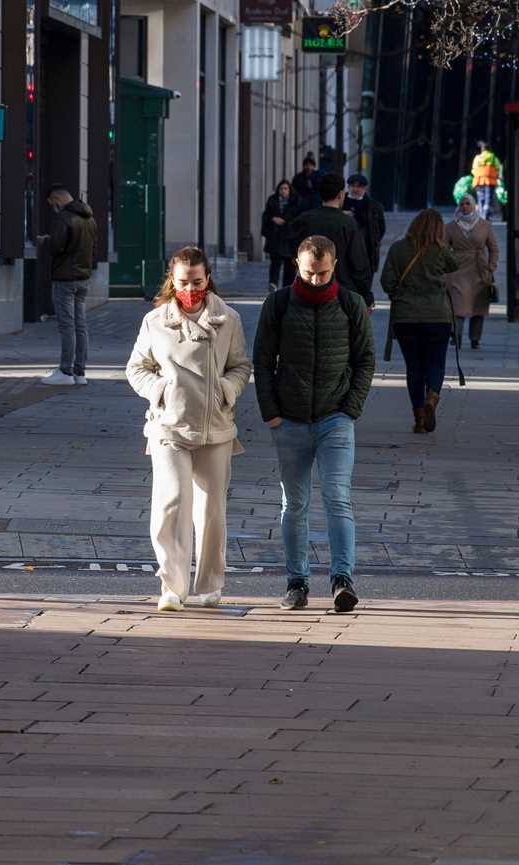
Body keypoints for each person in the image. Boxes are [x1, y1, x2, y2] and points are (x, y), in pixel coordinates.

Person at [253, 235, 375, 614]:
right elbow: (262, 359)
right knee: (295, 503)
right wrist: (271, 411)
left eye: (323, 273)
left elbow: (365, 360)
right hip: (289, 419)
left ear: (334, 266)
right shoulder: (278, 304)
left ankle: (342, 579)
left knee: (337, 497)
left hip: (335, 418)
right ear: (297, 265)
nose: (316, 280)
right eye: (309, 272)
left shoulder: (351, 304)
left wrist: (351, 408)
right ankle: (297, 582)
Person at [126, 246, 252, 612]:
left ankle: (211, 583)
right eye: (183, 281)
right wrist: (159, 391)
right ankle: (172, 585)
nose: (190, 288)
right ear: (172, 280)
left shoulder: (228, 319)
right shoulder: (154, 322)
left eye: (197, 281)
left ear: (207, 278)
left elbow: (241, 366)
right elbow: (137, 368)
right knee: (171, 503)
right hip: (168, 425)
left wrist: (225, 391)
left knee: (211, 509)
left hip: (215, 426)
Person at [380, 209, 459, 434]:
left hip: (406, 317)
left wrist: (400, 294)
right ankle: (431, 401)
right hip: (437, 316)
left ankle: (419, 418)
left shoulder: (397, 249)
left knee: (414, 367)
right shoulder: (441, 250)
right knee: (436, 363)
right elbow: (455, 265)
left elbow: (387, 282)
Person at [35, 185, 97, 387]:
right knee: (81, 325)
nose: (52, 207)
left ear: (57, 199)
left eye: (52, 203)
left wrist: (45, 241)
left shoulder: (64, 218)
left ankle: (65, 371)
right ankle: (80, 372)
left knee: (67, 325)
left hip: (65, 278)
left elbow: (57, 247)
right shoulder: (89, 218)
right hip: (83, 278)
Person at [289, 174, 374, 309]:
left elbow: (291, 253)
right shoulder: (348, 223)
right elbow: (359, 264)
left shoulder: (303, 220)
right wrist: (366, 296)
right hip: (341, 293)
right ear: (341, 194)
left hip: (307, 290)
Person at [445, 193, 500, 350]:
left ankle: (475, 339)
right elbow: (442, 248)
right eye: (462, 203)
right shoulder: (450, 227)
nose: (465, 206)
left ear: (474, 205)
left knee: (478, 306)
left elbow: (494, 248)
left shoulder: (484, 225)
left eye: (468, 203)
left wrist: (491, 266)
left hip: (479, 270)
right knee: (457, 305)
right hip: (457, 270)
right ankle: (456, 336)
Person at [343, 173, 387, 277]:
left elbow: (381, 228)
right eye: (353, 186)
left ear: (364, 188)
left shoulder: (375, 206)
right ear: (349, 187)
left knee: (364, 282)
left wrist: (374, 241)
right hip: (344, 249)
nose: (356, 189)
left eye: (359, 186)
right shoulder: (340, 202)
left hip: (366, 250)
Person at [260, 180, 297, 291]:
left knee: (289, 265)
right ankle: (273, 284)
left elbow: (298, 217)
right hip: (275, 238)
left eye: (286, 189)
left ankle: (288, 287)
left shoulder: (295, 201)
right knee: (275, 263)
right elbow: (266, 215)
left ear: (289, 190)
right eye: (281, 189)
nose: (283, 191)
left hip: (288, 238)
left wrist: (285, 220)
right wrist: (273, 219)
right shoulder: (272, 200)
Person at [470, 142, 502, 220]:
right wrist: (497, 176)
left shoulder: (477, 158)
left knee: (481, 198)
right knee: (488, 198)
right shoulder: (493, 157)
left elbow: (473, 169)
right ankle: (486, 215)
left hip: (479, 181)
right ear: (489, 149)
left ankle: (481, 216)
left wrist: (478, 175)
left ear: (482, 149)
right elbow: (498, 168)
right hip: (490, 181)